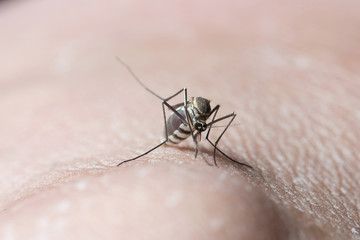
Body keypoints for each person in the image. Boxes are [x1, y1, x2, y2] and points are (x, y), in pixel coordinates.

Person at [0, 0, 359, 239]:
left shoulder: (209, 113)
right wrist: (176, 127)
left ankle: (207, 150)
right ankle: (168, 144)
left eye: (202, 116)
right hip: (176, 128)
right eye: (200, 115)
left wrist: (210, 145)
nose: (204, 117)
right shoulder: (188, 108)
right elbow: (172, 108)